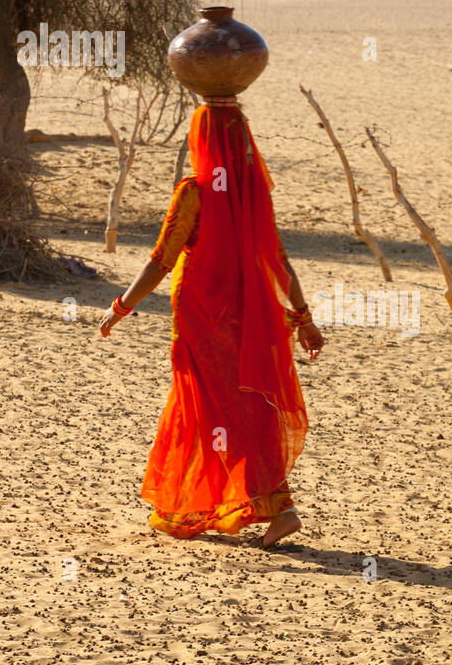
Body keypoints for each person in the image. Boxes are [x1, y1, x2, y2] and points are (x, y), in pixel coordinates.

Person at [98, 98, 323, 548]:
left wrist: (121, 305)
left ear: (201, 140)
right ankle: (239, 505)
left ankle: (257, 507)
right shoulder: (253, 189)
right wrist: (302, 318)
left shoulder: (195, 190)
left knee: (208, 407)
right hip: (249, 317)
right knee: (247, 408)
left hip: (203, 318)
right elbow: (277, 259)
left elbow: (162, 260)